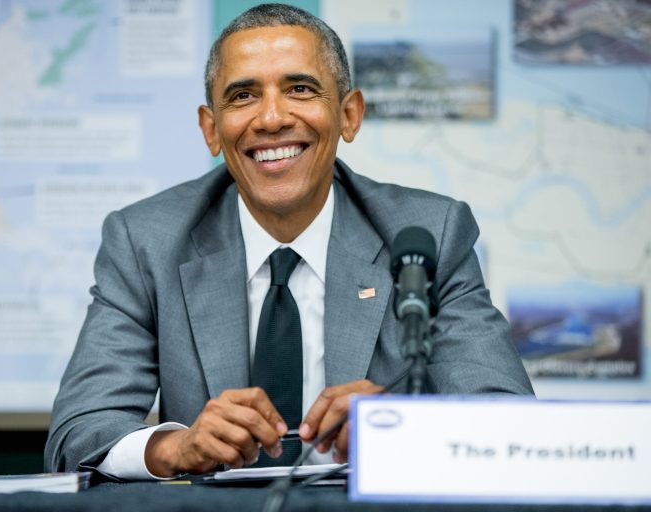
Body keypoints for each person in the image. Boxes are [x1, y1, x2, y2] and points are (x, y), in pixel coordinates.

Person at [44, 3, 533, 480]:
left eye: (300, 89)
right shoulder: (146, 240)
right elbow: (78, 434)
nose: (272, 118)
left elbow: (511, 423)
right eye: (242, 96)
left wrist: (400, 428)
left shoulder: (428, 235)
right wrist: (177, 446)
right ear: (211, 130)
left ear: (349, 115)